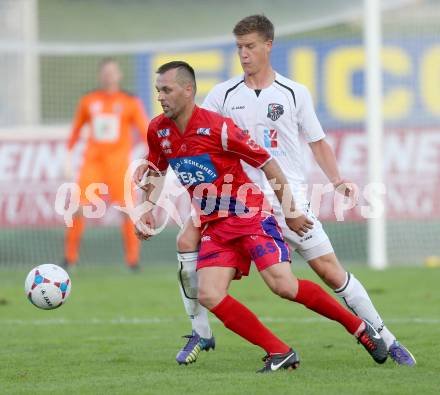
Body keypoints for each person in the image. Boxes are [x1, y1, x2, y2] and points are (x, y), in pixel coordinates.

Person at [173, 15, 416, 366]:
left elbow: (317, 143)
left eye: (250, 47)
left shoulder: (293, 93)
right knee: (186, 242)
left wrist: (337, 180)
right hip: (236, 201)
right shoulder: (222, 95)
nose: (243, 54)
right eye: (239, 47)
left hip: (289, 199)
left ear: (268, 46)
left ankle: (386, 337)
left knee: (330, 272)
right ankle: (200, 331)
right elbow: (200, 136)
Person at [135, 60, 388, 373]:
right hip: (214, 223)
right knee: (210, 294)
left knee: (283, 286)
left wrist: (292, 210)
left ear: (188, 91)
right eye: (158, 90)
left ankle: (361, 329)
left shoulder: (218, 127)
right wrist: (145, 208)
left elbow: (268, 162)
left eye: (167, 89)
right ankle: (279, 351)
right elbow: (156, 170)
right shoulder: (158, 130)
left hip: (249, 215)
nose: (160, 96)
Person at [63, 58, 149, 271]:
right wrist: (67, 157)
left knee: (127, 211)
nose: (109, 76)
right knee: (78, 208)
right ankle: (70, 258)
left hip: (119, 166)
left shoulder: (130, 102)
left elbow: (146, 131)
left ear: (119, 75)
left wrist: (153, 157)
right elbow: (75, 131)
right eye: (105, 72)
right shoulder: (88, 100)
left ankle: (132, 261)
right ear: (100, 76)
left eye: (112, 72)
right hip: (92, 164)